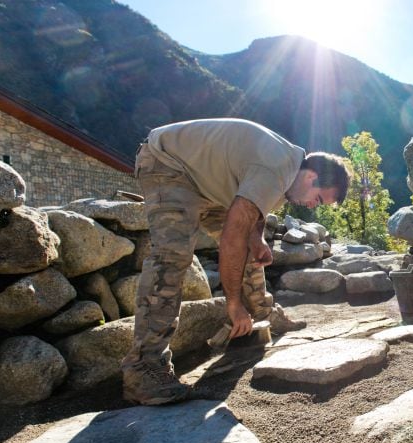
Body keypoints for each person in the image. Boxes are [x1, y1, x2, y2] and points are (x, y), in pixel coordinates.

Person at [121, 118, 351, 405]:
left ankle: (263, 313)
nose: (312, 207)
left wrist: (257, 240)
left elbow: (253, 208)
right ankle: (143, 368)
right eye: (318, 199)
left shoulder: (289, 173)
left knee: (251, 250)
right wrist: (233, 304)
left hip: (207, 183)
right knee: (172, 256)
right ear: (311, 176)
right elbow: (231, 237)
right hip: (169, 165)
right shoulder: (277, 168)